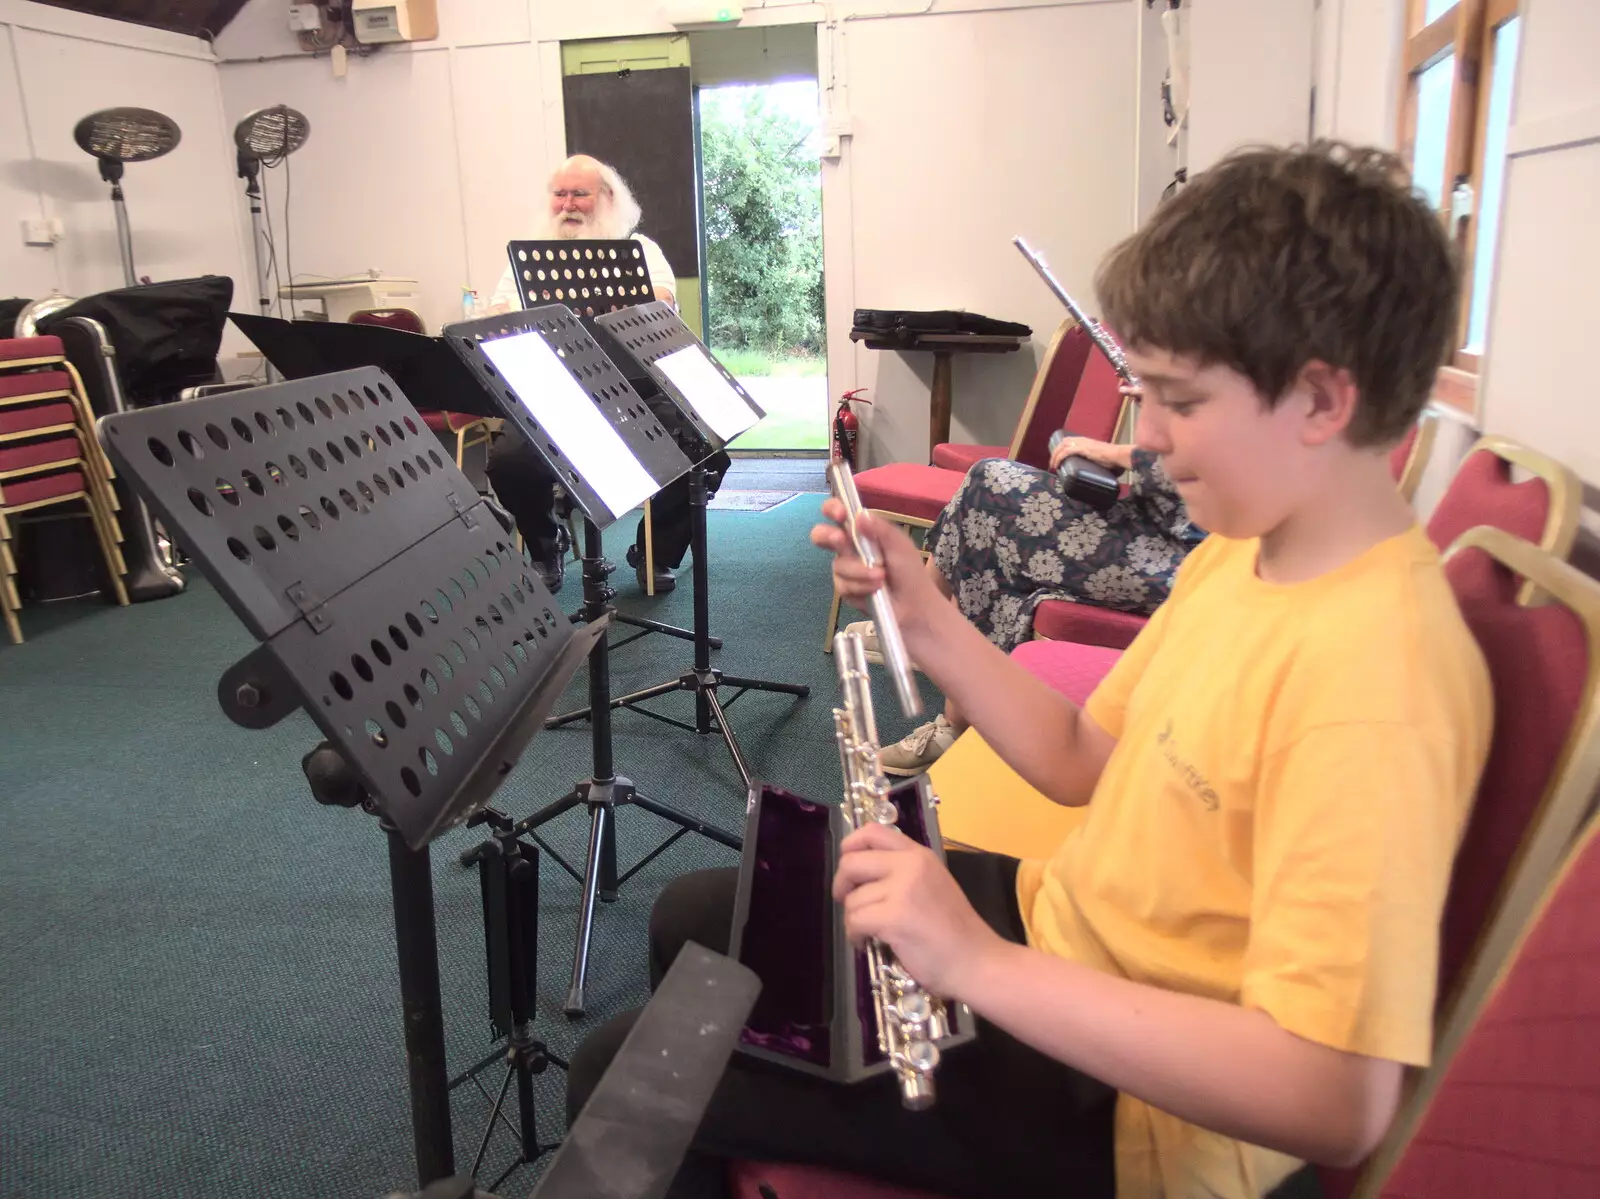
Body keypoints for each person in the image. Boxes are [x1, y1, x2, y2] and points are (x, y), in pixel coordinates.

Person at [564, 141, 1494, 1199]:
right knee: (697, 911)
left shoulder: (1378, 678)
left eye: (1179, 401)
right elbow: (1081, 755)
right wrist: (930, 616)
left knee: (625, 1076)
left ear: (1323, 400)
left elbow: (1333, 1096)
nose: (1151, 440)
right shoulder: (1250, 543)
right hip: (1068, 933)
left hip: (1135, 1112)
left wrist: (976, 965)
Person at [853, 427, 1207, 774]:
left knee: (993, 509)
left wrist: (1121, 454)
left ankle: (947, 701)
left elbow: (1229, 459)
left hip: (1179, 553)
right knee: (987, 479)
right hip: (1153, 516)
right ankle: (923, 641)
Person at [484, 154, 729, 593]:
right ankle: (546, 545)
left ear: (608, 199)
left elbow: (662, 300)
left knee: (702, 448)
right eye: (560, 194)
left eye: (580, 193)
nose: (568, 203)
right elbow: (500, 310)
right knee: (508, 463)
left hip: (633, 389)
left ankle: (656, 551)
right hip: (551, 391)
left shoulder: (642, 249)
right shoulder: (524, 255)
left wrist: (628, 302)